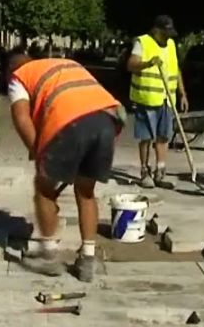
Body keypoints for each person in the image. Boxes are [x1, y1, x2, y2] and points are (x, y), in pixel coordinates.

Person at [8, 49, 124, 282]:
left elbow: (22, 117)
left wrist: (39, 153)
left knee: (43, 189)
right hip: (108, 120)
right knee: (85, 191)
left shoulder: (19, 76)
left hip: (69, 121)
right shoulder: (64, 64)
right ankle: (87, 261)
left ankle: (49, 256)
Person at [127, 15, 189, 189]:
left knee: (163, 137)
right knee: (146, 137)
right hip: (146, 99)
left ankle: (160, 172)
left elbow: (175, 70)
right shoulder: (143, 42)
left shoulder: (170, 45)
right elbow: (131, 65)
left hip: (166, 100)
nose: (168, 36)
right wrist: (148, 63)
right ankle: (145, 172)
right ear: (156, 30)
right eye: (165, 33)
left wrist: (182, 93)